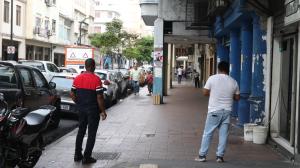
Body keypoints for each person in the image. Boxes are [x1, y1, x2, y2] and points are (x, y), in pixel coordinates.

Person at [195, 61, 240, 163]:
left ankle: (202, 156)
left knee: (208, 134)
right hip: (227, 111)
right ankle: (219, 157)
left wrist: (215, 92)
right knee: (223, 135)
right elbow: (237, 97)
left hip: (214, 111)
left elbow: (205, 92)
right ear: (228, 69)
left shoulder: (212, 78)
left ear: (218, 69)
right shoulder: (233, 81)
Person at [71, 58, 107, 164]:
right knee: (91, 133)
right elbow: (99, 97)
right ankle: (86, 157)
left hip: (81, 109)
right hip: (93, 110)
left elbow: (72, 94)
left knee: (81, 131)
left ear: (85, 66)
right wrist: (103, 111)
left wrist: (78, 103)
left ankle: (77, 155)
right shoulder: (96, 79)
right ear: (92, 66)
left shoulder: (77, 78)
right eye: (94, 66)